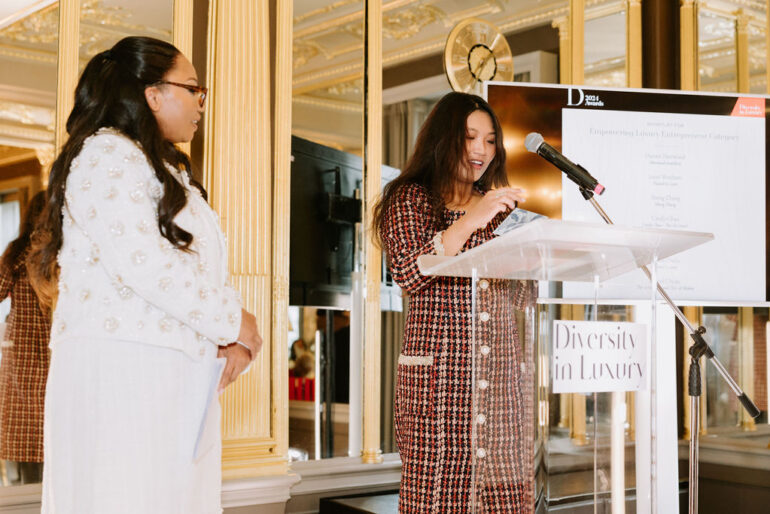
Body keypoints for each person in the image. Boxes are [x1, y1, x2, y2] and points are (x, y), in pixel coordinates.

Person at [27, 36, 262, 513]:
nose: (200, 102)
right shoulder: (105, 153)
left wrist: (229, 336)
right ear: (153, 94)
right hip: (124, 377)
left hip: (170, 379)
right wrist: (234, 321)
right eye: (193, 88)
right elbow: (144, 263)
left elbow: (201, 265)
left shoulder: (164, 169)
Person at [373, 92, 533, 512]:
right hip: (439, 389)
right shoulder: (409, 198)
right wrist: (473, 219)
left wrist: (532, 246)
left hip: (499, 388)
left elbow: (523, 297)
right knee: (437, 501)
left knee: (501, 501)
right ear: (444, 139)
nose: (481, 149)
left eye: (491, 140)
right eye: (469, 137)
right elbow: (408, 272)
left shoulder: (501, 210)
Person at [0, 191, 50, 484]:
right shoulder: (61, 250)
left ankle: (25, 489)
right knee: (42, 420)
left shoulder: (18, 251)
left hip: (24, 345)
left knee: (23, 422)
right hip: (43, 344)